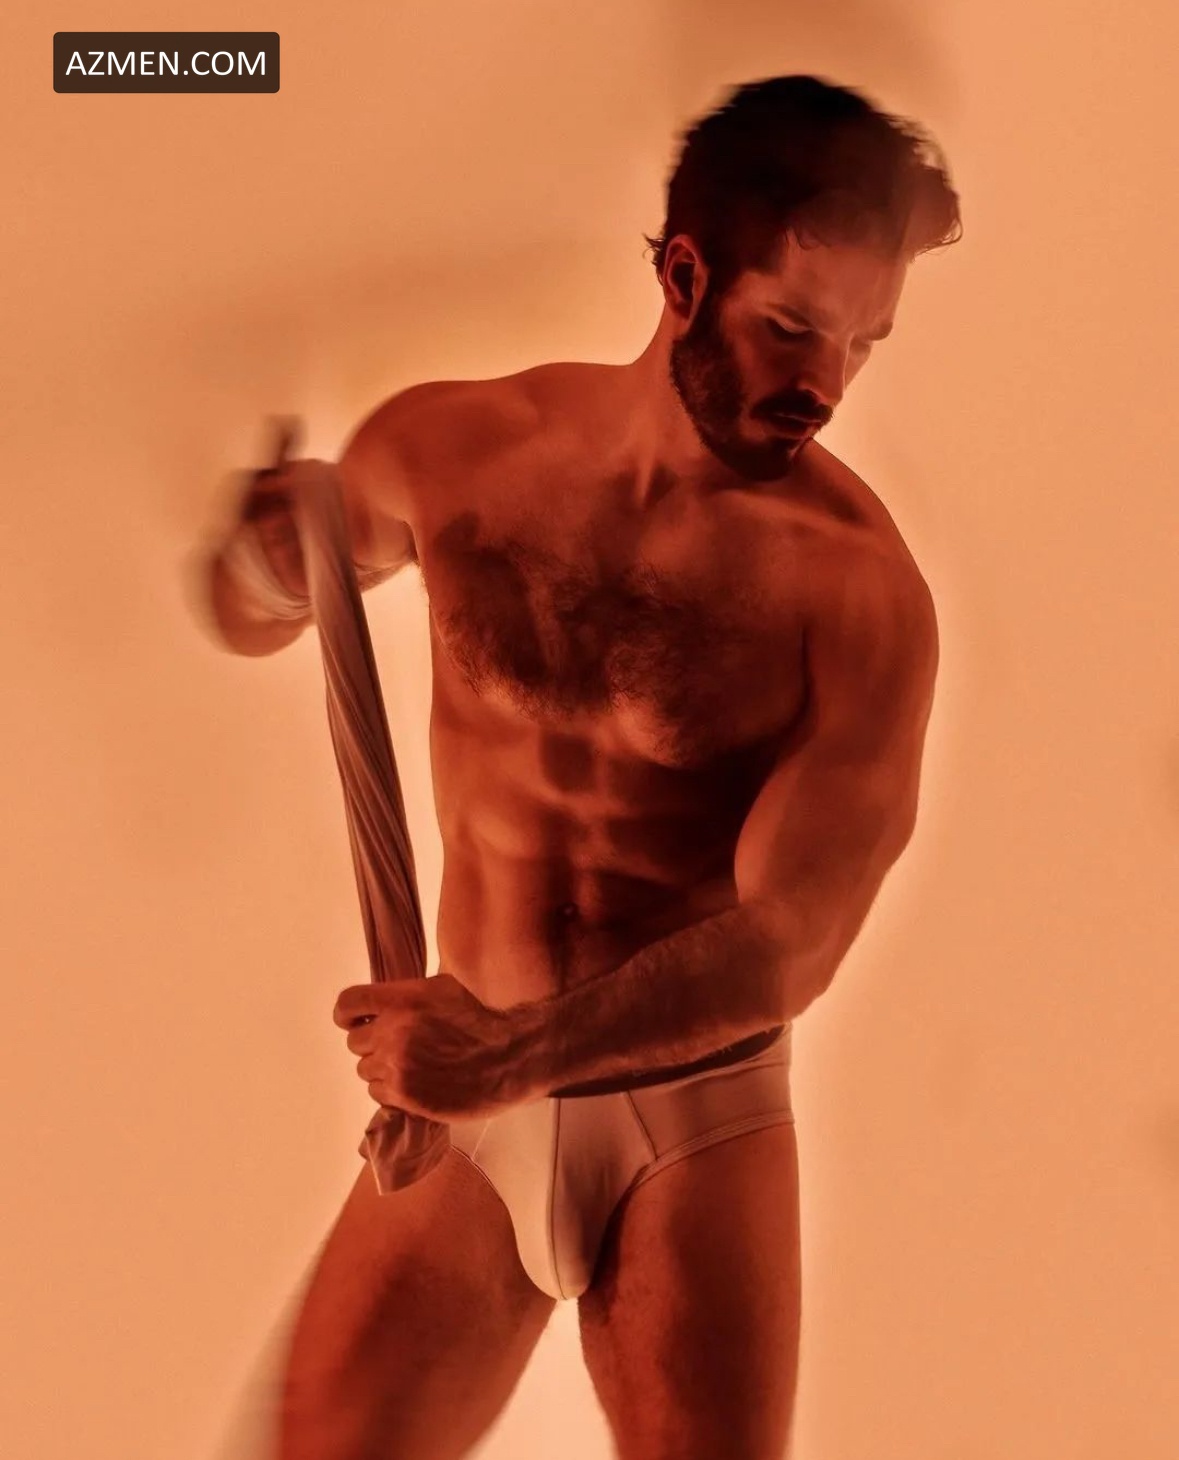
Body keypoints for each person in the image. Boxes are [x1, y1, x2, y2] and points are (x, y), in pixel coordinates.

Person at [206, 74, 960, 1460]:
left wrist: (508, 1056)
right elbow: (260, 607)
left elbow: (789, 942)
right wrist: (264, 561)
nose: (826, 385)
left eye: (864, 342)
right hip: (464, 1109)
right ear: (685, 278)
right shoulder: (451, 453)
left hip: (692, 1126)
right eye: (792, 327)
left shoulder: (858, 597)